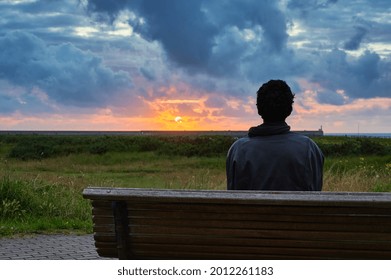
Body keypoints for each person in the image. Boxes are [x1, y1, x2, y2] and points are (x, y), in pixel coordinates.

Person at [226, 79, 324, 191]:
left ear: (258, 108)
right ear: (290, 109)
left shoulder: (238, 149)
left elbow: (233, 191)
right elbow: (316, 190)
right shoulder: (309, 148)